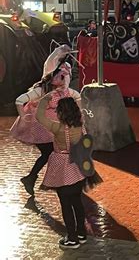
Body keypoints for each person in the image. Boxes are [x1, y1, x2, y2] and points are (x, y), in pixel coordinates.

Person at [10, 46, 81, 197]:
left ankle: (38, 178)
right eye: (62, 76)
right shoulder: (41, 91)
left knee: (55, 152)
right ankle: (36, 178)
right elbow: (20, 100)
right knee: (50, 152)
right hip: (39, 128)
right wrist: (23, 115)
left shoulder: (60, 91)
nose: (65, 79)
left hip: (50, 128)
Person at [36, 93, 100, 249]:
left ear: (61, 112)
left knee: (65, 204)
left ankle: (72, 238)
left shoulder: (57, 127)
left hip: (62, 168)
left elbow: (39, 116)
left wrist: (45, 100)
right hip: (78, 168)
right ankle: (81, 233)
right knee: (77, 202)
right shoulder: (80, 125)